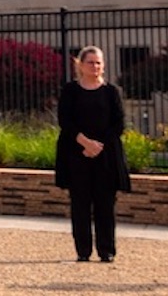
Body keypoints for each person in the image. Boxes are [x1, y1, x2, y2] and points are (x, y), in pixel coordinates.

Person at [55, 46, 131, 263]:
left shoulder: (111, 92)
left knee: (105, 205)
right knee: (80, 204)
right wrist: (85, 143)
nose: (95, 66)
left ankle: (106, 250)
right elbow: (65, 121)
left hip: (105, 155)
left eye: (98, 62)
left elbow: (118, 124)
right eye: (91, 62)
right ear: (81, 65)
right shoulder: (71, 91)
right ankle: (83, 251)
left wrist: (98, 146)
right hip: (76, 154)